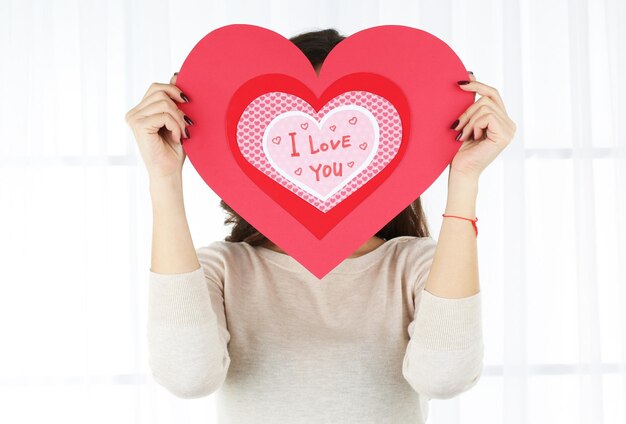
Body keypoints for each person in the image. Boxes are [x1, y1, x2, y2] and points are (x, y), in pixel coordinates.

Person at [125, 28, 516, 423]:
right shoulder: (224, 270)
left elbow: (445, 378)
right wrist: (163, 177)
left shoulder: (417, 266)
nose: (319, 161)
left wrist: (465, 177)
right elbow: (185, 377)